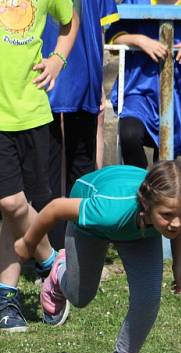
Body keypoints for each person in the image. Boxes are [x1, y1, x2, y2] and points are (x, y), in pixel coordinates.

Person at [14, 162, 181, 353]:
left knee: (148, 298)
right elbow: (55, 208)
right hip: (93, 226)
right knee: (81, 296)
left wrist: (179, 265)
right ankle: (60, 273)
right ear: (147, 204)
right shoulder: (109, 210)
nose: (176, 222)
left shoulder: (178, 199)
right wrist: (28, 243)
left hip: (140, 230)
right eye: (168, 215)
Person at [0, 0, 78, 333]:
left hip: (32, 111)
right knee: (11, 202)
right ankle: (51, 260)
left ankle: (7, 297)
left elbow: (70, 21)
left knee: (15, 207)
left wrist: (58, 61)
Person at [42, 0, 119, 250]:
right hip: (39, 73)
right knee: (46, 169)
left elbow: (100, 28)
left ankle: (81, 252)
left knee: (81, 169)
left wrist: (97, 83)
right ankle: (50, 255)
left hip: (84, 75)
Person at [106, 0, 181, 167]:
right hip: (138, 91)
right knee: (129, 134)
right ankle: (139, 186)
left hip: (177, 96)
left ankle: (158, 189)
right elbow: (112, 38)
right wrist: (139, 40)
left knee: (165, 162)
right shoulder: (135, 2)